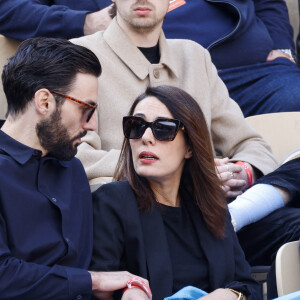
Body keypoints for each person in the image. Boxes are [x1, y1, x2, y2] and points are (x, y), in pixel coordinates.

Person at [0, 37, 148, 299]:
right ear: (44, 101)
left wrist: (128, 289)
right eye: (85, 109)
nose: (91, 125)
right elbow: (3, 276)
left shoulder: (73, 170)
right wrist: (94, 281)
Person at [91, 85, 261, 300]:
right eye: (136, 125)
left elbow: (247, 284)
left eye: (163, 128)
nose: (146, 137)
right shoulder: (110, 202)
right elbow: (97, 285)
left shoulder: (210, 204)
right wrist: (129, 290)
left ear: (190, 147)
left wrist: (229, 295)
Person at [1, 1, 299, 117]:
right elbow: (7, 8)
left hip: (251, 72)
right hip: (137, 75)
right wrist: (84, 22)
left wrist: (284, 47)